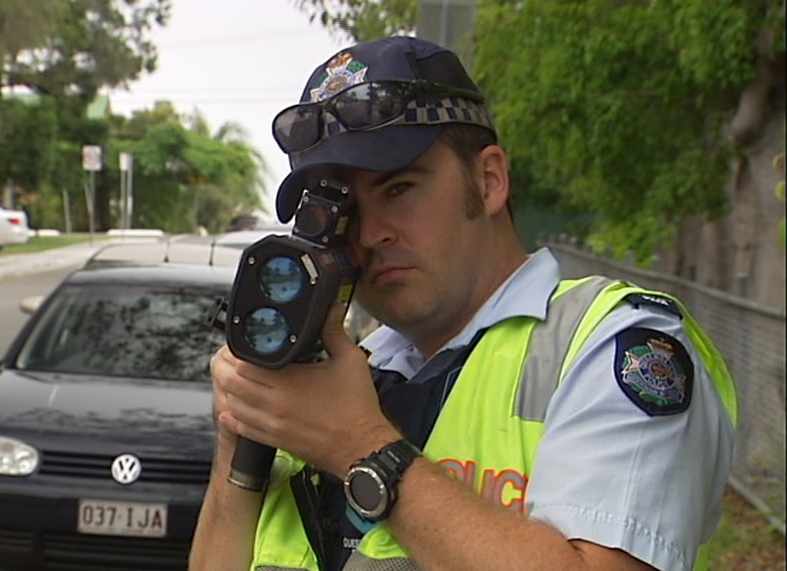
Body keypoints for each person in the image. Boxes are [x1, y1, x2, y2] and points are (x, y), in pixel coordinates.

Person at [189, 36, 737, 571]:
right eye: (345, 209)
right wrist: (241, 446)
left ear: (490, 179)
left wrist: (359, 446)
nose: (371, 232)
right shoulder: (346, 374)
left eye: (399, 189)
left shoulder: (609, 347)